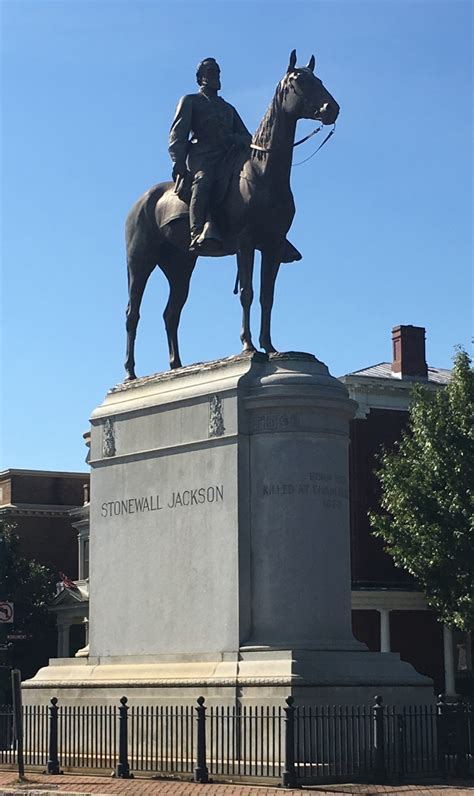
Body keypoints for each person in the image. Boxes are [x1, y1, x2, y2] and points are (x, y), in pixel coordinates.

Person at [169, 58, 251, 252]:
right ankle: (196, 233)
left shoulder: (228, 108)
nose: (215, 76)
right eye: (211, 72)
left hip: (227, 158)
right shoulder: (190, 101)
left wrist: (235, 139)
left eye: (217, 72)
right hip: (202, 157)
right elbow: (178, 134)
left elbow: (246, 136)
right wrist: (178, 161)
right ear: (201, 78)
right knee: (203, 181)